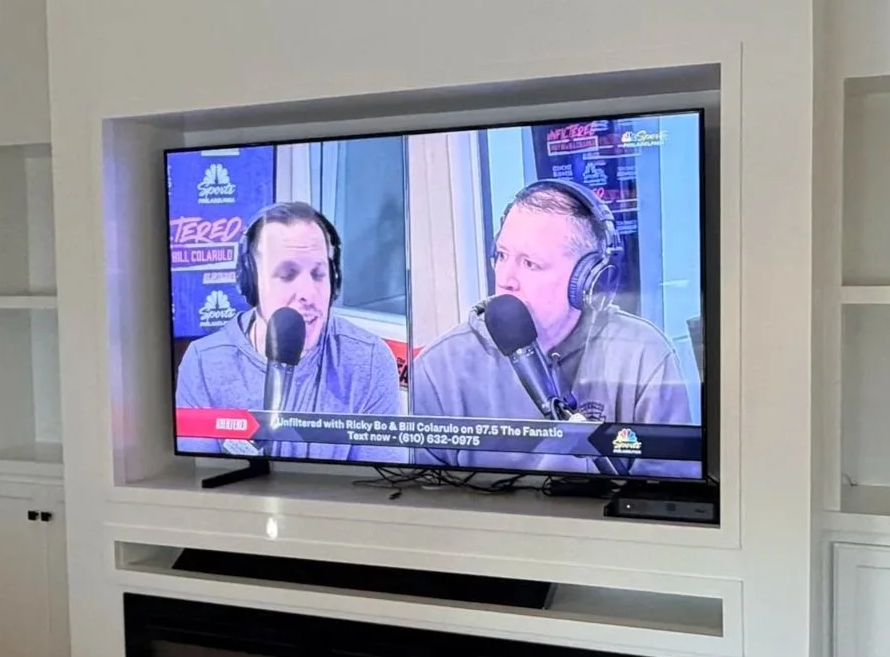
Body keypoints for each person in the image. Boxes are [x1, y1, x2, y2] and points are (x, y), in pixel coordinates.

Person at [409, 179, 694, 474]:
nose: (506, 278)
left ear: (587, 280)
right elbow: (424, 498)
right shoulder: (439, 369)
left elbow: (668, 487)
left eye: (530, 263)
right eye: (502, 255)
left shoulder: (643, 354)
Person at [175, 201, 404, 463]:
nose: (309, 294)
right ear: (252, 282)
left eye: (318, 274)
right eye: (286, 274)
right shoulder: (204, 362)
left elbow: (375, 484)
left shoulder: (369, 360)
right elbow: (201, 480)